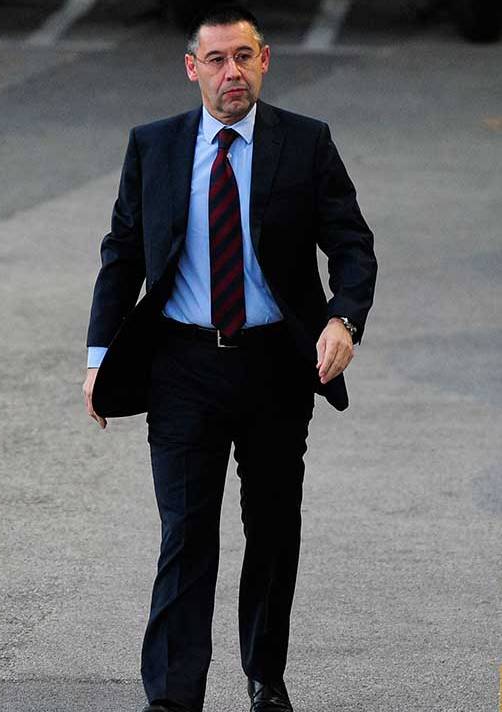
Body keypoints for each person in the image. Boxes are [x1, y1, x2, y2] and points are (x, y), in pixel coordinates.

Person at [81, 5, 378, 712]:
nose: (231, 72)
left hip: (275, 367)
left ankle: (264, 677)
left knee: (272, 530)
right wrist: (98, 356)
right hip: (182, 367)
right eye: (216, 60)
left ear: (264, 61)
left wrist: (343, 319)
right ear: (193, 69)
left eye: (243, 57)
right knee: (186, 533)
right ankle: (172, 698)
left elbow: (352, 244)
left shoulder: (304, 143)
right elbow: (122, 254)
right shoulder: (154, 146)